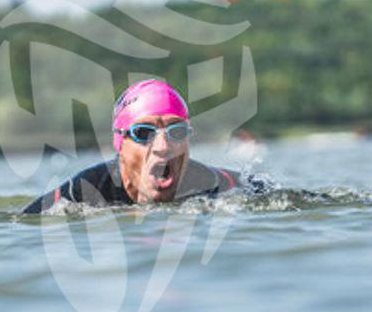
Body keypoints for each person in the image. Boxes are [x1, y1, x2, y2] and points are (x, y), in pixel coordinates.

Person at [21, 79, 266, 214]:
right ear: (120, 144)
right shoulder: (86, 191)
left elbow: (277, 198)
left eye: (176, 131)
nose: (163, 146)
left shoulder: (212, 184)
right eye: (144, 133)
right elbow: (20, 225)